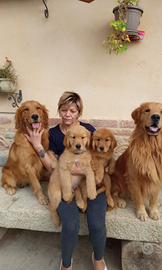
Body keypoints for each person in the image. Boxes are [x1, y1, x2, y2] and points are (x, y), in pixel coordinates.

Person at [24, 91, 108, 270]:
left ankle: (99, 259)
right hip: (64, 183)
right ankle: (67, 264)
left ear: (79, 112)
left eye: (72, 110)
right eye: (63, 110)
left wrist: (85, 172)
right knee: (70, 226)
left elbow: (98, 156)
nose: (67, 114)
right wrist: (38, 145)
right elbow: (51, 167)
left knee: (97, 223)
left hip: (88, 181)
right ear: (59, 111)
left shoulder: (89, 130)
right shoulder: (53, 133)